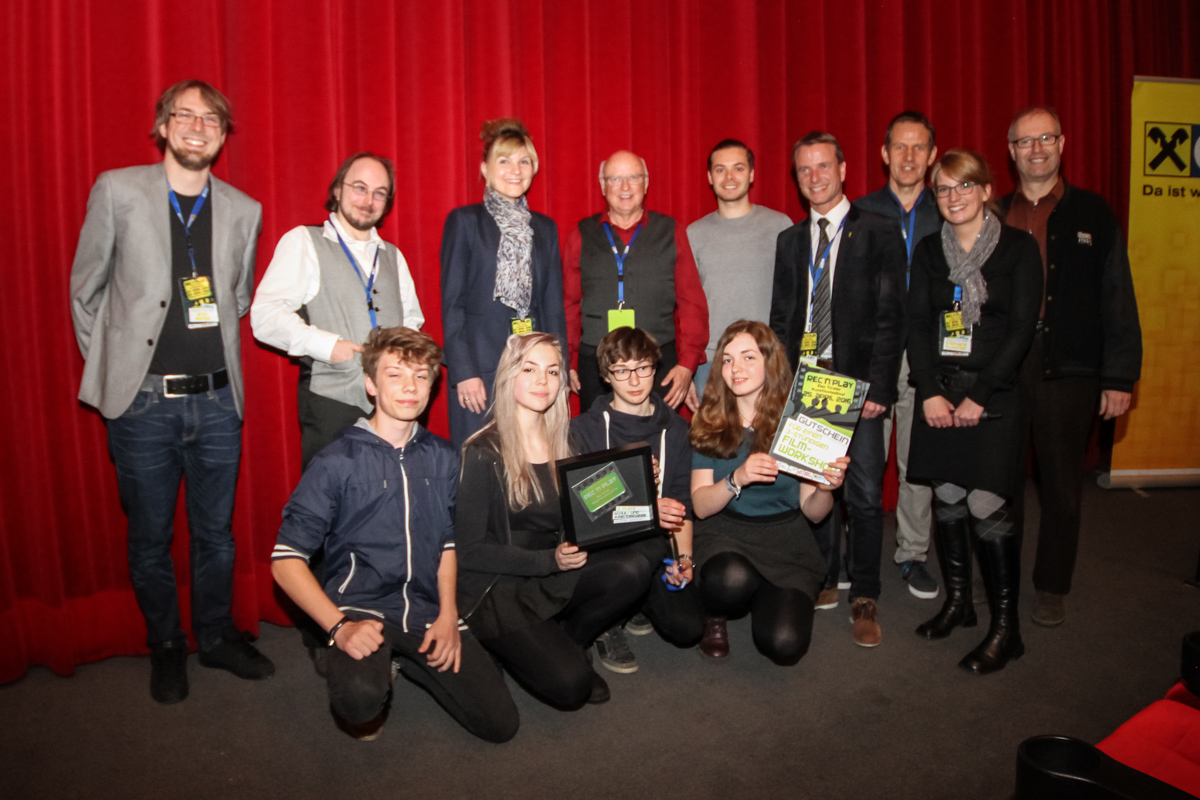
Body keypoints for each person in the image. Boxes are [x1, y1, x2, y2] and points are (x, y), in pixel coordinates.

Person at [69, 80, 272, 704]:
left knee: (217, 536)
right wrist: (117, 373)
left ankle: (213, 637)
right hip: (142, 405)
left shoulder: (245, 208)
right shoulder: (117, 190)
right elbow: (86, 291)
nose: (196, 126)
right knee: (150, 537)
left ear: (221, 133)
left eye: (210, 118)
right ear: (162, 126)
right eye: (183, 115)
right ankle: (166, 644)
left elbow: (235, 297)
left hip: (216, 402)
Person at [271, 327, 518, 742]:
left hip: (425, 609)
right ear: (370, 383)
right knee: (359, 700)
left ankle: (406, 661)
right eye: (395, 375)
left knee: (499, 724)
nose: (410, 387)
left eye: (421, 376)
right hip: (360, 608)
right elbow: (286, 560)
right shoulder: (337, 461)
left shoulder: (442, 457)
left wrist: (446, 614)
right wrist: (338, 627)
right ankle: (366, 666)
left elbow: (448, 543)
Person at [1000, 107, 1142, 628]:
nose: (1036, 149)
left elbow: (1117, 295)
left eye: (1045, 139)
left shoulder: (1094, 213)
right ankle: (1003, 577)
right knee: (1001, 481)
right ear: (1011, 150)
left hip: (1072, 366)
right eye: (1025, 141)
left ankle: (1051, 585)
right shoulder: (993, 213)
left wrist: (1119, 375)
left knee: (1061, 484)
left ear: (1062, 144)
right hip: (1007, 368)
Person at [455, 333, 648, 707]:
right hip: (501, 584)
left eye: (552, 370)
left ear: (562, 381)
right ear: (509, 376)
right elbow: (470, 552)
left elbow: (591, 510)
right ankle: (502, 645)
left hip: (556, 566)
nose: (543, 380)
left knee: (634, 568)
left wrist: (638, 484)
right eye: (529, 369)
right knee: (571, 689)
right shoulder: (482, 452)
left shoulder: (568, 439)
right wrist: (548, 561)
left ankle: (573, 639)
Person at [906, 149, 1042, 675]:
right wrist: (932, 391)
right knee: (946, 494)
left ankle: (1007, 629)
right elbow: (917, 324)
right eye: (943, 189)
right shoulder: (927, 252)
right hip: (940, 393)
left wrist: (980, 394)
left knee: (987, 499)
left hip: (995, 397)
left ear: (987, 190)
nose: (954, 197)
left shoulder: (1018, 250)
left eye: (965, 186)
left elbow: (1021, 329)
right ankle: (959, 602)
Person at [769, 131, 907, 647]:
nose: (814, 178)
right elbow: (782, 318)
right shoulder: (789, 241)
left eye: (823, 167)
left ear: (844, 169)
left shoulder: (878, 230)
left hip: (859, 383)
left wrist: (878, 387)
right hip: (807, 383)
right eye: (804, 170)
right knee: (814, 485)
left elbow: (893, 318)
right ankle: (825, 575)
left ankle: (864, 593)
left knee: (865, 493)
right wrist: (779, 384)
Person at [251, 152, 424, 470]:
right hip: (333, 403)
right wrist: (327, 347)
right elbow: (264, 316)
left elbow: (411, 321)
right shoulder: (304, 241)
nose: (368, 200)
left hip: (393, 407)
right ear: (337, 190)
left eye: (379, 193)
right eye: (360, 187)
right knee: (331, 509)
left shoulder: (393, 256)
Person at [690, 321, 848, 665]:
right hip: (724, 533)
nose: (736, 369)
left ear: (770, 362)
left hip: (786, 540)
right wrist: (737, 478)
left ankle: (764, 592)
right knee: (730, 580)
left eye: (748, 357)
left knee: (784, 644)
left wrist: (825, 488)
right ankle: (715, 613)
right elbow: (700, 507)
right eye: (728, 360)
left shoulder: (803, 420)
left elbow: (815, 512)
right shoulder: (710, 417)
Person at [570, 327, 705, 674]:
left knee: (688, 628)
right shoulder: (582, 429)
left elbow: (680, 504)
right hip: (599, 550)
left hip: (654, 547)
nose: (634, 379)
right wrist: (642, 506)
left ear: (655, 369)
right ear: (605, 375)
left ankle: (633, 601)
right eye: (621, 370)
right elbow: (581, 513)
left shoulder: (675, 429)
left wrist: (686, 560)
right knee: (641, 556)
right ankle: (602, 624)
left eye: (642, 367)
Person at [854, 111, 943, 600]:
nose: (908, 158)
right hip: (872, 354)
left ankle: (911, 553)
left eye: (919, 148)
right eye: (899, 148)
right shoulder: (861, 212)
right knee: (862, 459)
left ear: (931, 156)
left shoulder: (948, 208)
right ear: (885, 154)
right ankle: (857, 548)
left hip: (928, 354)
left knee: (916, 461)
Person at [440, 119, 568, 448]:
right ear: (485, 169)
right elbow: (452, 304)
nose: (515, 169)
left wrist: (559, 373)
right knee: (479, 462)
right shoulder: (465, 222)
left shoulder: (545, 228)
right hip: (480, 369)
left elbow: (553, 307)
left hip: (533, 371)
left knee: (529, 458)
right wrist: (463, 371)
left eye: (524, 161)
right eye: (504, 160)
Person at [563, 150, 709, 413]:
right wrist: (568, 361)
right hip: (597, 367)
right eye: (616, 179)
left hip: (660, 365)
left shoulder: (671, 231)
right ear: (602, 185)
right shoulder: (580, 234)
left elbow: (692, 302)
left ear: (646, 182)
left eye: (633, 177)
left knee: (657, 444)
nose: (625, 187)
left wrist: (687, 364)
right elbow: (568, 306)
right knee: (601, 448)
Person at [688, 139, 793, 396]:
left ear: (752, 174)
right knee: (714, 436)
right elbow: (686, 305)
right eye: (720, 169)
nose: (729, 177)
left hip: (767, 356)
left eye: (738, 168)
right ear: (710, 177)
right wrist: (687, 368)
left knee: (767, 435)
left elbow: (795, 297)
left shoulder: (780, 227)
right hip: (712, 361)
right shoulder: (693, 233)